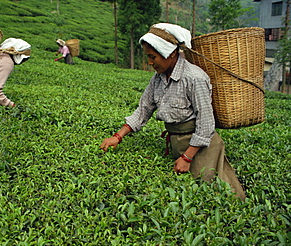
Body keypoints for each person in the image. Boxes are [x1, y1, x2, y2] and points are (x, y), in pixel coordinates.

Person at [100, 23, 246, 201]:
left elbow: (206, 124)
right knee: (186, 194)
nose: (150, 62)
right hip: (178, 143)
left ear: (171, 53)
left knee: (213, 192)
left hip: (201, 147)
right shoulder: (158, 79)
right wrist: (118, 136)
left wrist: (187, 157)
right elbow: (143, 110)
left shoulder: (194, 78)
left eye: (153, 57)